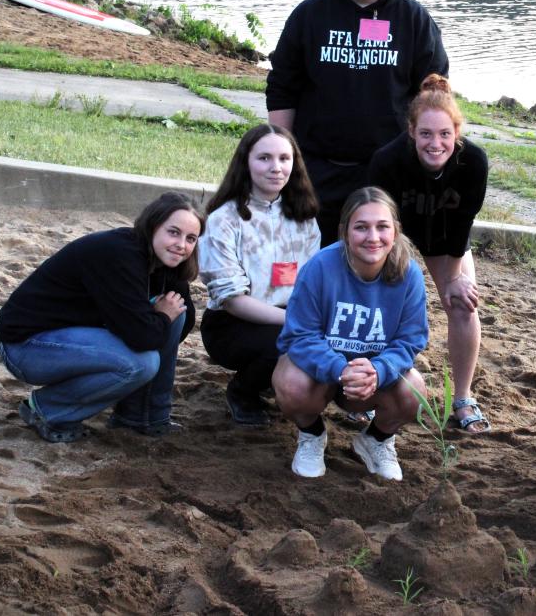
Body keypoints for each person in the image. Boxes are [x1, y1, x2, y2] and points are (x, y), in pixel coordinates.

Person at [266, 0, 449, 246]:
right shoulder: (310, 15)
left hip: (387, 168)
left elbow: (434, 95)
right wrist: (282, 152)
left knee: (376, 253)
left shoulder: (414, 19)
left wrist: (425, 159)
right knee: (310, 256)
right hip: (318, 165)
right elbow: (282, 86)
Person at [0, 192, 204, 442]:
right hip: (26, 346)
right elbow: (143, 338)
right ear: (153, 225)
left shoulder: (164, 259)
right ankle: (47, 409)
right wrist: (157, 320)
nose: (181, 244)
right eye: (173, 232)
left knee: (173, 312)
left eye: (191, 238)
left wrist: (161, 315)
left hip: (72, 337)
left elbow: (183, 320)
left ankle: (143, 416)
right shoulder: (119, 254)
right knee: (140, 363)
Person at [271, 186, 429, 481]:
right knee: (291, 384)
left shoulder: (409, 275)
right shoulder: (320, 267)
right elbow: (300, 335)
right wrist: (341, 369)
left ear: (395, 230)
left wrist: (378, 371)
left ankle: (376, 439)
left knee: (414, 391)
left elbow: (411, 340)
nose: (373, 237)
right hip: (322, 376)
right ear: (344, 231)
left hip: (372, 379)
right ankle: (312, 434)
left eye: (382, 227)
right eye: (361, 227)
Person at [369, 73, 490, 433]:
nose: (435, 143)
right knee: (376, 302)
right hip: (395, 233)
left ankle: (463, 398)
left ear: (457, 134)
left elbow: (462, 224)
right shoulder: (387, 161)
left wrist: (453, 279)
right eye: (425, 134)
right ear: (411, 131)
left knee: (464, 302)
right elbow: (377, 221)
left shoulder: (474, 163)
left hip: (444, 234)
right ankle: (371, 391)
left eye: (444, 135)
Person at [199, 124, 321, 427]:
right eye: (264, 158)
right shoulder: (223, 220)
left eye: (284, 158)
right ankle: (242, 392)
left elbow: (313, 283)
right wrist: (297, 322)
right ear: (246, 162)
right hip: (233, 324)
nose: (276, 168)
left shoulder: (304, 216)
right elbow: (232, 301)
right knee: (283, 341)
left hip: (289, 314)